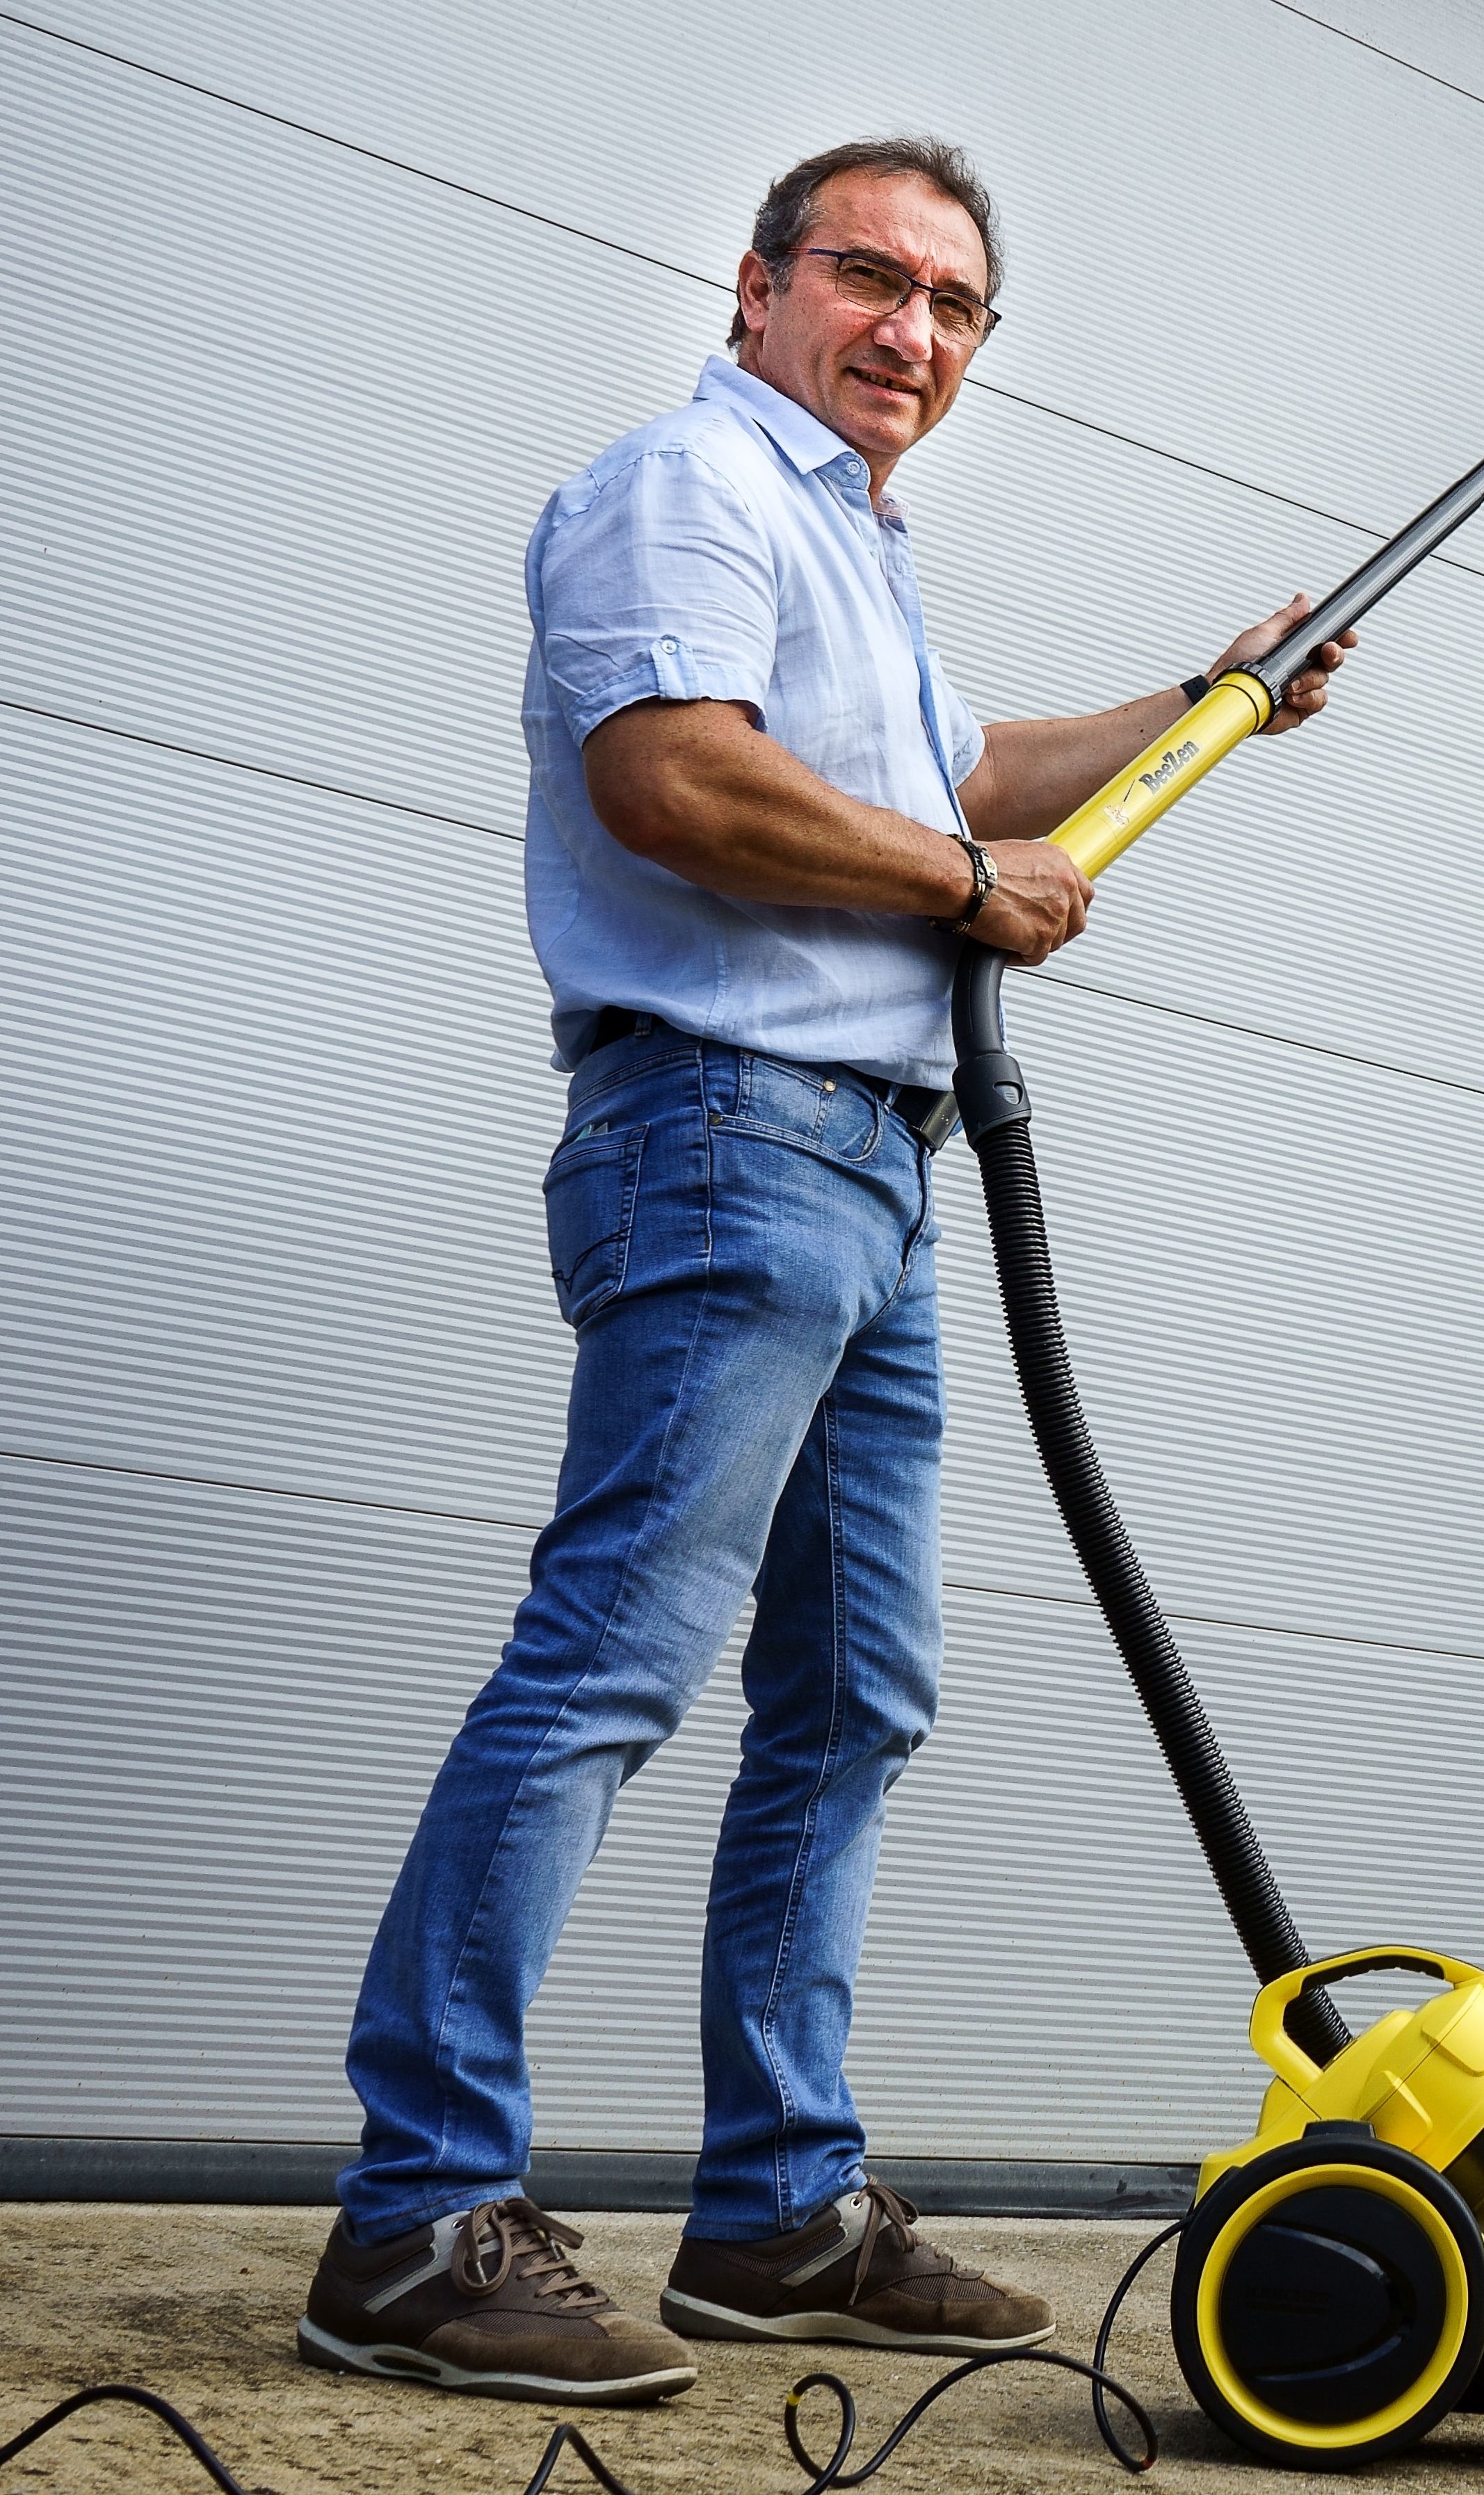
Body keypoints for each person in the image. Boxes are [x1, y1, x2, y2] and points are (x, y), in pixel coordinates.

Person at [296, 134, 1355, 2405]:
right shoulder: (689, 485)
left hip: (871, 1172)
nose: (917, 334)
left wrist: (1213, 697)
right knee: (611, 1660)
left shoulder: (849, 554)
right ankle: (413, 2216)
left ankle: (776, 2210)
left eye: (960, 309)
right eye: (873, 280)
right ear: (761, 283)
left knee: (857, 1691)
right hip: (726, 1135)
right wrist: (969, 887)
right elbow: (676, 778)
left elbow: (976, 770)